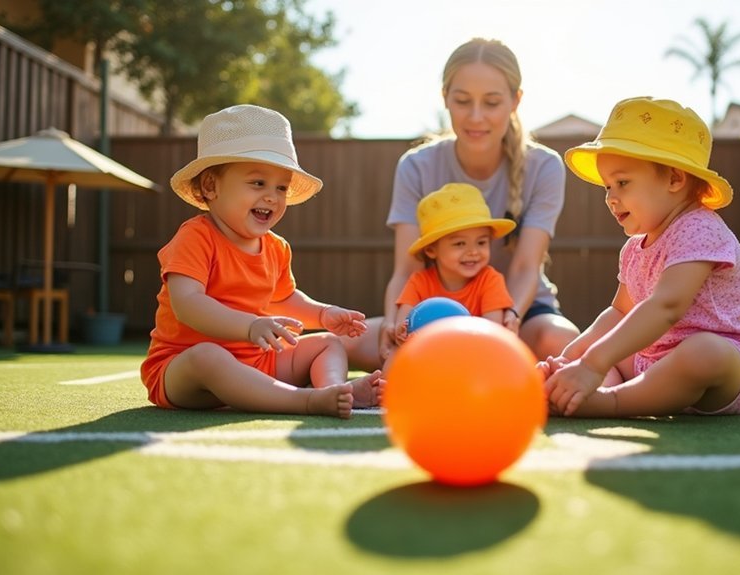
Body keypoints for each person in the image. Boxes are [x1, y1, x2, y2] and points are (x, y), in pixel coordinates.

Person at [343, 37, 580, 371]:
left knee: (567, 346)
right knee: (337, 342)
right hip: (432, 313)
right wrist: (394, 323)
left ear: (515, 101)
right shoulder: (416, 166)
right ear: (445, 99)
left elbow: (526, 267)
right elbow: (407, 268)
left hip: (519, 315)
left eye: (492, 102)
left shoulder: (544, 166)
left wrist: (505, 321)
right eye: (463, 101)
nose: (476, 116)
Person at [140, 104, 384, 418]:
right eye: (258, 183)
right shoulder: (196, 237)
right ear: (210, 186)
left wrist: (323, 315)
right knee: (208, 357)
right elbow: (188, 304)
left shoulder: (276, 247)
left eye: (281, 187)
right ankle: (304, 401)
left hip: (256, 362)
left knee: (328, 343)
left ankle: (334, 390)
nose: (272, 196)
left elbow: (283, 299)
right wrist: (250, 326)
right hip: (183, 370)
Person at [541, 97, 740, 418]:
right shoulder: (635, 248)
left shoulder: (699, 227)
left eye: (622, 183)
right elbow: (618, 312)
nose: (611, 197)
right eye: (607, 186)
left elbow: (667, 306)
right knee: (608, 350)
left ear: (675, 179)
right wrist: (573, 359)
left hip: (727, 370)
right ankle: (574, 389)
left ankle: (611, 402)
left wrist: (594, 363)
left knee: (702, 352)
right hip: (653, 361)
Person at [394, 182, 516, 343]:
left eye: (481, 243)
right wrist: (402, 334)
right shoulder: (419, 282)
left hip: (473, 352)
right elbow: (403, 324)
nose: (473, 251)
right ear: (431, 250)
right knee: (395, 354)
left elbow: (493, 333)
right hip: (427, 351)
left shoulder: (491, 281)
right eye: (459, 244)